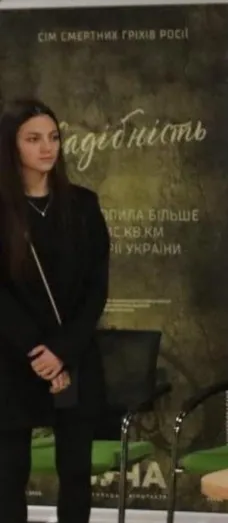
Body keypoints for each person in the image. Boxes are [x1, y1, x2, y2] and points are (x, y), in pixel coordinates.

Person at [0, 98, 110, 523]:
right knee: (9, 477)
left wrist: (62, 351)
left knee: (77, 473)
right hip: (13, 360)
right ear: (11, 146)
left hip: (73, 355)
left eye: (53, 137)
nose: (47, 147)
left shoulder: (82, 205)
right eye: (33, 139)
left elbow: (96, 288)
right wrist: (37, 352)